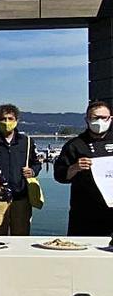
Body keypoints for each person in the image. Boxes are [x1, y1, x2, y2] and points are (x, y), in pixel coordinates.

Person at [0, 104, 41, 236]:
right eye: (3, 119)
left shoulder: (27, 141)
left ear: (16, 120)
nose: (7, 122)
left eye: (10, 118)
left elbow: (36, 163)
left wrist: (33, 171)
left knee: (21, 235)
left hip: (21, 196)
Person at [54, 100, 113, 236]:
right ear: (87, 119)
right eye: (95, 117)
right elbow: (60, 175)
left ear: (110, 119)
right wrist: (75, 168)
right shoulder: (75, 145)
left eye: (103, 117)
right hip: (85, 212)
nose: (99, 121)